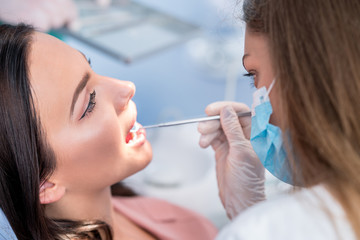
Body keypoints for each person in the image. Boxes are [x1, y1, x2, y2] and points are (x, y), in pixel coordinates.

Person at [0, 23, 217, 240]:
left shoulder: (134, 207)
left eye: (92, 69)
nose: (127, 87)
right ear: (45, 184)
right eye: (90, 103)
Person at [198, 0, 360, 239]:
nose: (257, 98)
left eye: (254, 75)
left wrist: (253, 221)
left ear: (305, 72)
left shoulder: (261, 231)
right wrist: (253, 211)